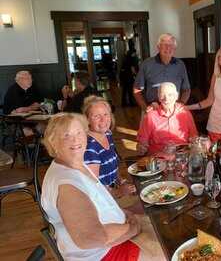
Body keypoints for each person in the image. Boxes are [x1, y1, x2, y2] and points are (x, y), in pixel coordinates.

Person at [41, 113, 141, 260]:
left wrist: (124, 213)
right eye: (66, 135)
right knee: (167, 249)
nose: (75, 139)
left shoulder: (74, 164)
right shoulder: (67, 185)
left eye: (79, 132)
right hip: (102, 254)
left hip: (111, 242)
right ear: (53, 143)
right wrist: (132, 228)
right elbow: (90, 237)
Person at [82, 95, 135, 198]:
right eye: (96, 116)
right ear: (87, 120)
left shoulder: (107, 134)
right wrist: (118, 192)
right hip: (100, 200)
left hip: (112, 192)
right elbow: (93, 188)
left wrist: (121, 181)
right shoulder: (89, 148)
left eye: (106, 114)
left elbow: (112, 165)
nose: (103, 120)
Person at [133, 33, 190, 112]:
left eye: (171, 45)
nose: (168, 48)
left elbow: (186, 89)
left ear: (175, 48)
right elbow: (137, 90)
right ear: (158, 47)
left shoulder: (180, 65)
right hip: (152, 110)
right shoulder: (146, 64)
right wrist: (145, 107)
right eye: (165, 45)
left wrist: (181, 104)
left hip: (174, 110)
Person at [137, 82, 198, 155]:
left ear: (176, 96)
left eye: (170, 95)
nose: (166, 99)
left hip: (181, 157)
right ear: (159, 97)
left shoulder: (185, 113)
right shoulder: (151, 116)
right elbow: (142, 142)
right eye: (163, 95)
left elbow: (194, 136)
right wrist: (141, 147)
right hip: (159, 157)